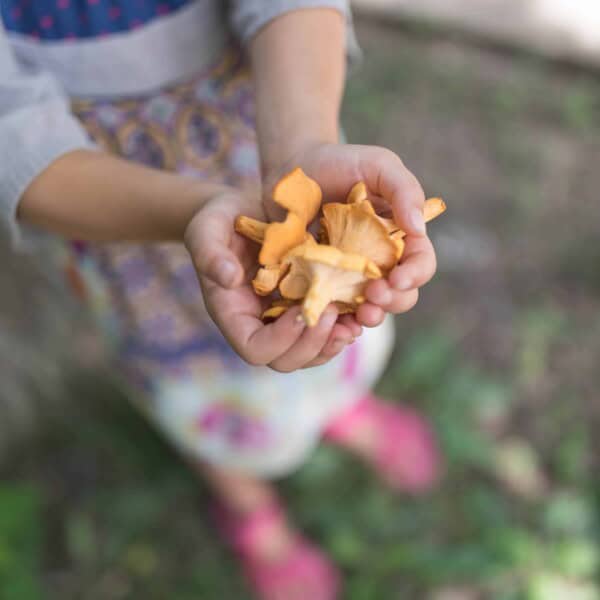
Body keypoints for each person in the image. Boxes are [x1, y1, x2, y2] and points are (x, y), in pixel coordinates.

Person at [0, 2, 441, 598]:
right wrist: (192, 213)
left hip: (272, 144)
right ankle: (249, 508)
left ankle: (336, 410)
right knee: (196, 391)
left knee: (332, 336)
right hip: (127, 242)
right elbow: (14, 141)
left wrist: (300, 155)